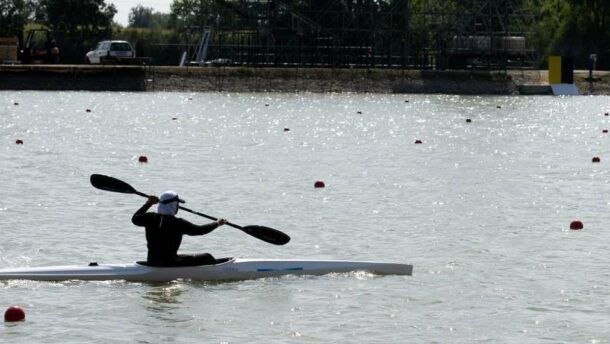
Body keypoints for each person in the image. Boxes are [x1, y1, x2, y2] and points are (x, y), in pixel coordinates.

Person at [132, 190, 226, 267]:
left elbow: (135, 219)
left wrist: (148, 203)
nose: (178, 207)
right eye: (177, 204)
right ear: (173, 205)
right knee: (207, 257)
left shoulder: (149, 218)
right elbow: (199, 230)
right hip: (170, 263)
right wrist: (216, 223)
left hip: (152, 261)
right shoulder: (179, 223)